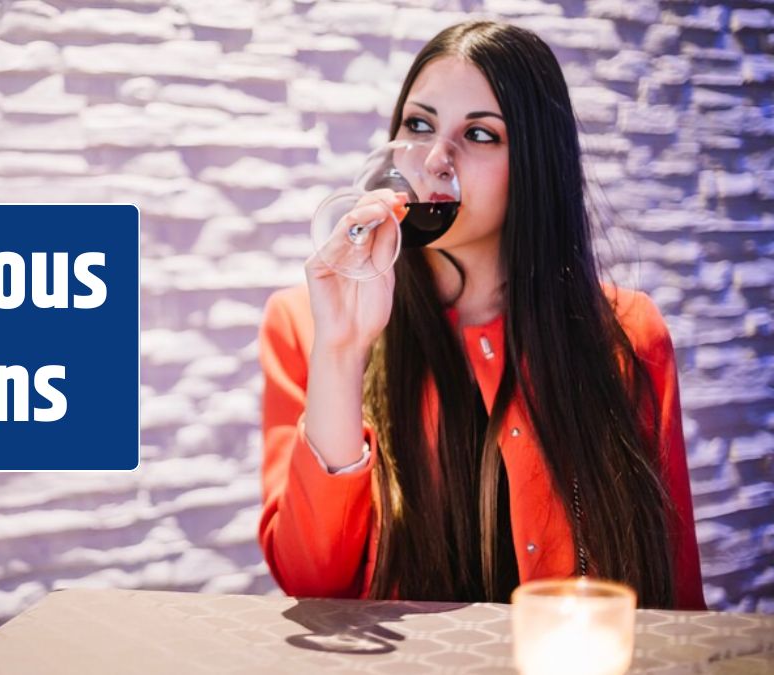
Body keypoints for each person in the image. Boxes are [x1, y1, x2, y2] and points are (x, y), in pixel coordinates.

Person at [257, 20, 706, 610]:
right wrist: (342, 353)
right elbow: (312, 582)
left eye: (481, 135)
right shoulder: (306, 322)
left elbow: (671, 593)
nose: (436, 159)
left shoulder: (623, 333)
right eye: (419, 125)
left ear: (535, 164)